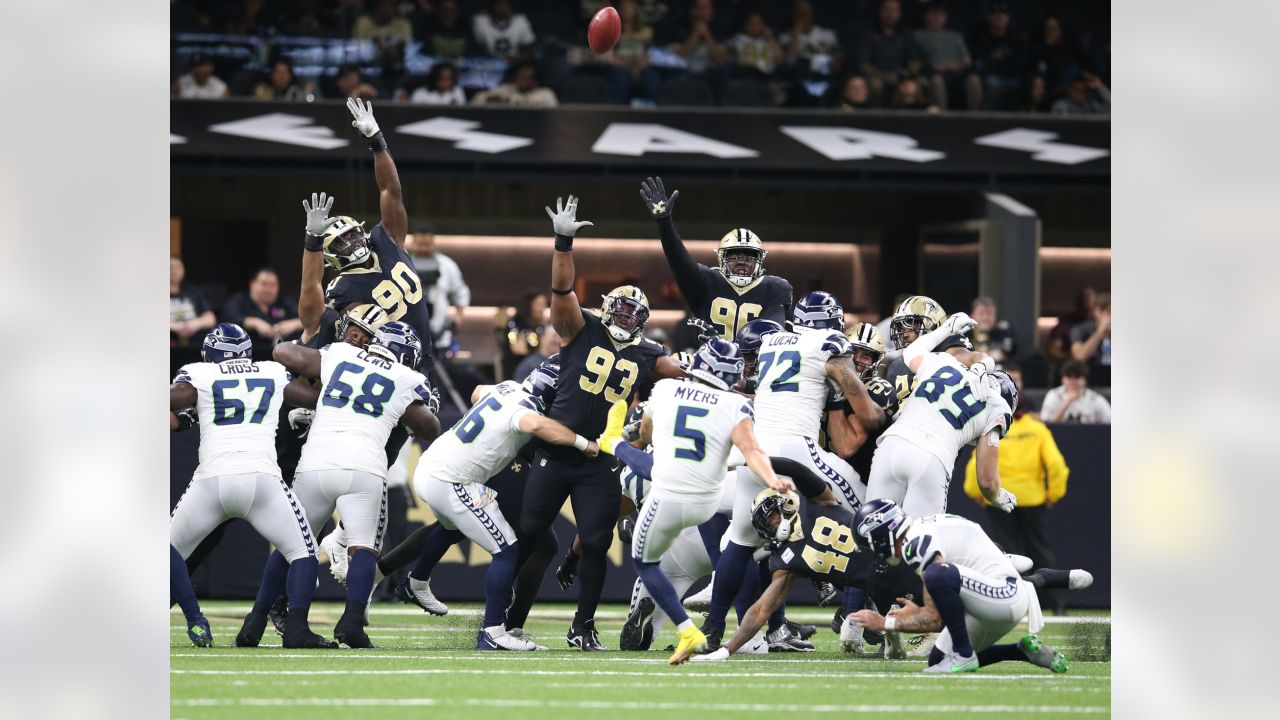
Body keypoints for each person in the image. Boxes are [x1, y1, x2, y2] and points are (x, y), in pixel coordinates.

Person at [522, 195, 683, 650]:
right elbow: (560, 292)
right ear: (607, 305)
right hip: (556, 448)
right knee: (530, 534)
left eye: (636, 313)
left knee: (595, 541)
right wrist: (562, 244)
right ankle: (506, 618)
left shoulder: (650, 353)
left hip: (601, 456)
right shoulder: (581, 325)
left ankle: (583, 625)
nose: (627, 316)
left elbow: (688, 373)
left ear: (646, 322)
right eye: (622, 308)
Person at [699, 291, 886, 652]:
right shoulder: (828, 343)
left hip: (757, 449)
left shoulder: (770, 340)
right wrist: (884, 415)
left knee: (739, 542)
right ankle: (855, 614)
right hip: (797, 449)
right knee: (867, 509)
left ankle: (711, 628)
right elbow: (868, 415)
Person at [597, 339, 794, 664]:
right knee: (746, 540)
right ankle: (745, 629)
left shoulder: (665, 392)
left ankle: (613, 443)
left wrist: (623, 448)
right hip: (710, 504)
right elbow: (753, 452)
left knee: (645, 562)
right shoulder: (736, 406)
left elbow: (646, 437)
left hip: (667, 508)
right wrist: (773, 479)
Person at [256, 322, 442, 648]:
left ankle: (258, 622)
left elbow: (283, 351)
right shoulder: (407, 378)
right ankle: (351, 623)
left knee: (293, 545)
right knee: (363, 548)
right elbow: (430, 427)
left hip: (314, 463)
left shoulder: (341, 353)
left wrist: (326, 394)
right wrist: (420, 405)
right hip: (363, 467)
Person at [407, 361, 600, 650]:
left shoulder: (506, 387)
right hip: (453, 482)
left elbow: (476, 392)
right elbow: (534, 423)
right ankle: (493, 633)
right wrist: (584, 443)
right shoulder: (527, 409)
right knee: (507, 550)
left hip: (432, 468)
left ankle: (416, 580)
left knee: (451, 527)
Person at [170, 324, 333, 649]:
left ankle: (195, 618)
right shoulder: (271, 371)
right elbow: (314, 399)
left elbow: (174, 401)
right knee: (304, 553)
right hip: (262, 479)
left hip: (212, 480)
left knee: (166, 549)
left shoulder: (200, 373)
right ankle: (297, 628)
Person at [844, 500, 1092, 673]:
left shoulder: (915, 544)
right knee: (938, 660)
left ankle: (963, 654)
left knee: (938, 576)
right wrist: (915, 614)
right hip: (989, 601)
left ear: (879, 535)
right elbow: (939, 612)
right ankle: (1020, 651)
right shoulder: (922, 529)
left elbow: (934, 619)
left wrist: (884, 623)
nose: (872, 552)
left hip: (1003, 598)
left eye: (869, 545)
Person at [676, 491, 921, 662]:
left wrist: (768, 461)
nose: (773, 525)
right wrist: (728, 649)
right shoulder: (785, 559)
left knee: (937, 608)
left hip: (897, 559)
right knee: (926, 619)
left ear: (784, 505)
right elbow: (761, 609)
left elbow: (803, 471)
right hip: (878, 587)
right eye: (767, 525)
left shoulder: (812, 501)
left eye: (772, 517)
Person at [868, 312, 1017, 518]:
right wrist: (996, 495)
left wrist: (945, 329)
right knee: (919, 543)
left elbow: (911, 352)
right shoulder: (999, 407)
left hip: (891, 444)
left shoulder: (943, 362)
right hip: (932, 457)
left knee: (871, 527)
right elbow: (986, 480)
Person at [964, 363, 1071, 613]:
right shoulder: (1037, 429)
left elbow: (975, 466)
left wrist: (978, 493)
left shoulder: (990, 424)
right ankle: (1056, 605)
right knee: (1041, 551)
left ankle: (1013, 604)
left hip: (999, 498)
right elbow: (1056, 466)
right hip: (1033, 499)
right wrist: (1052, 494)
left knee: (1008, 556)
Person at [639, 176, 793, 341]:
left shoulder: (775, 287)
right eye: (734, 256)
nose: (741, 261)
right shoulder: (708, 281)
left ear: (760, 260)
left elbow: (778, 335)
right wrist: (664, 222)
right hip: (709, 363)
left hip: (754, 365)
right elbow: (679, 261)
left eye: (749, 257)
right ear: (721, 258)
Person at [883, 296, 984, 411]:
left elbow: (976, 357)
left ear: (932, 323)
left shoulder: (947, 346)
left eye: (911, 325)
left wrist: (981, 366)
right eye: (900, 327)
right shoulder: (896, 367)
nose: (904, 334)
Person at [405, 224, 469, 356]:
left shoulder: (447, 264)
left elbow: (460, 291)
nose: (423, 248)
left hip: (439, 334)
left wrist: (459, 316)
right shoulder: (402, 263)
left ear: (434, 242)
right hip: (406, 331)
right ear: (412, 243)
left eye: (427, 244)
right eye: (419, 244)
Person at [222, 268, 303, 357]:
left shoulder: (283, 302)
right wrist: (254, 322)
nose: (268, 289)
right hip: (248, 357)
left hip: (283, 357)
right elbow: (228, 319)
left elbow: (308, 320)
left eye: (272, 285)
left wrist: (293, 324)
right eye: (264, 284)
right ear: (252, 284)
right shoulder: (239, 300)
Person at [913, 2, 978, 110]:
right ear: (926, 16)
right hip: (932, 73)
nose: (938, 18)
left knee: (974, 80)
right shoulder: (917, 35)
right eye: (934, 14)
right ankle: (943, 118)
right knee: (937, 81)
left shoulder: (956, 36)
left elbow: (967, 60)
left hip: (956, 73)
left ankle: (976, 117)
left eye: (941, 14)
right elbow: (915, 59)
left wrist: (950, 66)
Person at [970, 1, 1029, 110]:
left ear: (1008, 18)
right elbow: (979, 64)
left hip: (1013, 77)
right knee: (991, 83)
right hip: (990, 78)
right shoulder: (981, 37)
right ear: (989, 17)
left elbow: (1022, 62)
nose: (1000, 18)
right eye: (996, 15)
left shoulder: (1016, 38)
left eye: (1003, 15)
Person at [857, 0, 921, 101]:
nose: (891, 14)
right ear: (881, 12)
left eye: (895, 11)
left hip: (902, 75)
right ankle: (875, 116)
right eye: (888, 10)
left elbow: (915, 59)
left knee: (917, 85)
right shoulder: (869, 34)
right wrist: (884, 76)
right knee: (875, 85)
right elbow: (864, 64)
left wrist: (908, 74)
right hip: (877, 75)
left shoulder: (906, 34)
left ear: (900, 13)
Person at [1040, 360, 1111, 424]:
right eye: (1069, 377)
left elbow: (1109, 421)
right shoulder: (1054, 395)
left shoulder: (1095, 399)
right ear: (1062, 379)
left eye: (1077, 377)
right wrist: (1068, 401)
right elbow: (1046, 423)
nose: (1073, 381)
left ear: (1085, 380)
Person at [170, 256, 217, 347]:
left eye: (178, 267)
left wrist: (196, 323)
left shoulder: (193, 292)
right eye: (171, 267)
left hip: (194, 345)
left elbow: (211, 318)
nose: (174, 270)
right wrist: (173, 326)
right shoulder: (155, 293)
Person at [470, 61, 558, 107]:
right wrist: (488, 99)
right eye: (519, 77)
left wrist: (509, 101)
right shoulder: (506, 89)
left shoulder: (545, 93)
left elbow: (551, 112)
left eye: (525, 78)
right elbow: (477, 99)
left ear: (534, 81)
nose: (519, 80)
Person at [1069, 291, 1110, 385]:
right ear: (1096, 311)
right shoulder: (1080, 330)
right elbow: (1079, 357)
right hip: (1091, 386)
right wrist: (1100, 333)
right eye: (1108, 311)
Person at [969, 296, 1017, 364]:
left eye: (989, 314)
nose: (985, 318)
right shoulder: (964, 335)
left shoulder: (1004, 333)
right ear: (972, 315)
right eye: (981, 313)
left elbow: (1012, 356)